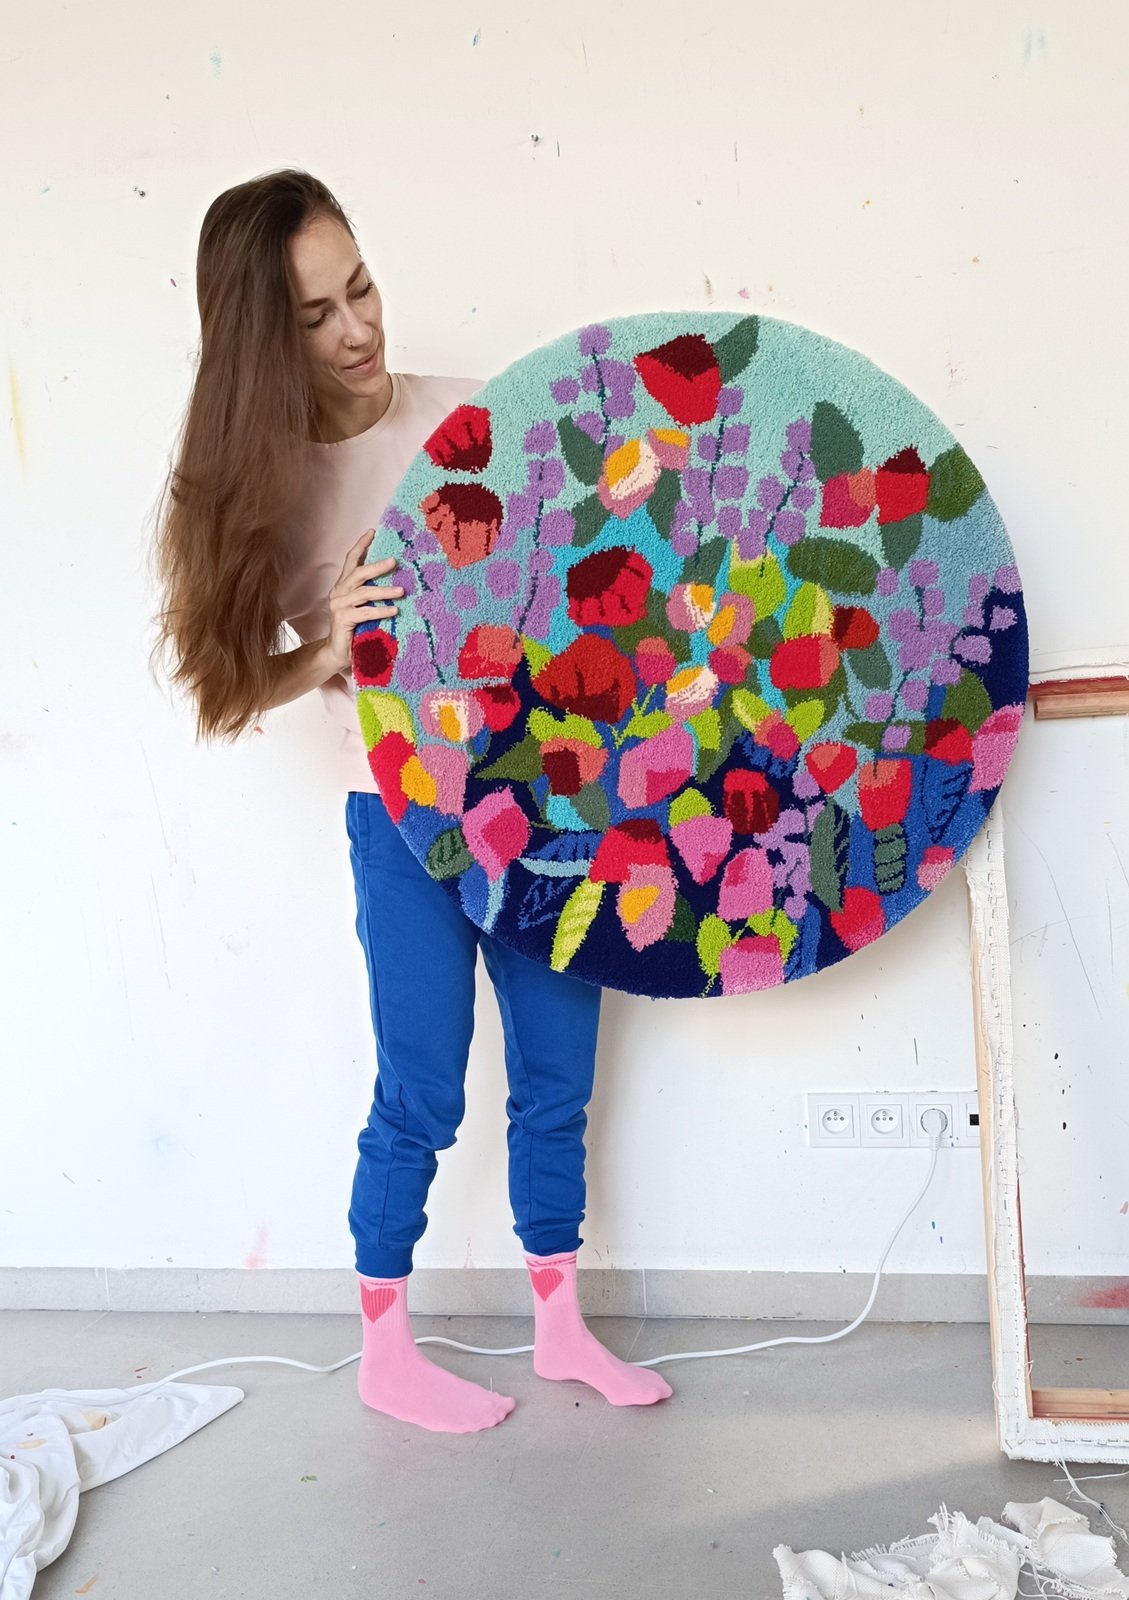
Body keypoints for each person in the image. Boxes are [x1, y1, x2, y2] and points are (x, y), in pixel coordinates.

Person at [154, 170, 671, 1433]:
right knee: (422, 1091)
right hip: (397, 821)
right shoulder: (258, 488)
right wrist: (325, 648)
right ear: (264, 340)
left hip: (541, 804)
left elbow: (591, 589)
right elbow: (225, 685)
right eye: (315, 315)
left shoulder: (480, 416)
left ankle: (559, 1326)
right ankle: (385, 1350)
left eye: (362, 286)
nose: (358, 328)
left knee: (556, 1076)